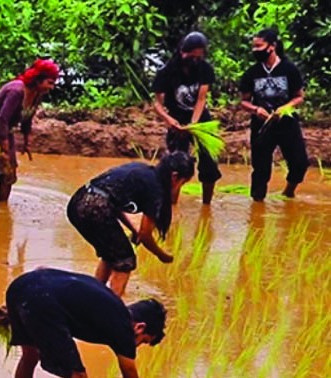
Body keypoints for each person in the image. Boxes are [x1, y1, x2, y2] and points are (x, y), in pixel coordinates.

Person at [0, 268, 167, 378]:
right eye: (143, 341)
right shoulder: (122, 327)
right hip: (41, 300)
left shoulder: (113, 305)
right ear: (140, 328)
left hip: (20, 286)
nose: (136, 346)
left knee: (29, 357)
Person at [67, 152, 195, 296]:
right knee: (125, 260)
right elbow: (145, 235)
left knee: (111, 254)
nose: (179, 188)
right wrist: (162, 255)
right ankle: (112, 311)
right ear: (174, 176)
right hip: (94, 207)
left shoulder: (141, 170)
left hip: (77, 203)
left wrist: (133, 230)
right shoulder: (156, 189)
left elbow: (112, 203)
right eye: (182, 183)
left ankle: (95, 296)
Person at [239, 28, 309, 201]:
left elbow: (299, 97)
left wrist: (285, 108)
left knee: (299, 162)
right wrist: (255, 109)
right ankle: (257, 206)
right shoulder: (251, 73)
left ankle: (289, 191)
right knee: (261, 169)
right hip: (262, 126)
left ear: (272, 46)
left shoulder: (289, 69)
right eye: (253, 47)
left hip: (287, 123)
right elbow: (244, 101)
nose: (255, 50)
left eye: (259, 46)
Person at [152, 32, 222, 204]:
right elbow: (157, 105)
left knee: (209, 164)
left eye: (198, 56)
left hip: (200, 121)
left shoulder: (204, 69)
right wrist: (169, 121)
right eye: (191, 55)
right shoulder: (166, 72)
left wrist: (193, 124)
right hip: (175, 120)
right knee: (176, 167)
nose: (194, 59)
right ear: (182, 51)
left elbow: (201, 99)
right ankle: (172, 205)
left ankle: (207, 205)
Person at [0, 58, 59, 203]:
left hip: (5, 130)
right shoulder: (16, 91)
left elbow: (27, 118)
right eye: (50, 82)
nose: (51, 87)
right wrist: (4, 148)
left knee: (8, 172)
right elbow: (2, 118)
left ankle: (2, 207)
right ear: (38, 80)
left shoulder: (37, 95)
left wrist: (26, 142)